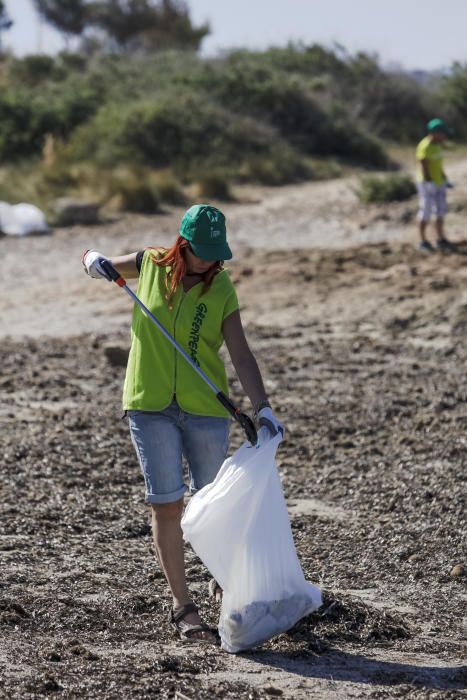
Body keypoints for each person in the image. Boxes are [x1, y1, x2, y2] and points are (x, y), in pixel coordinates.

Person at [82, 204, 284, 645]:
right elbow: (93, 262)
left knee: (212, 501)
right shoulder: (149, 264)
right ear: (183, 243)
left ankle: (224, 577)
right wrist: (92, 262)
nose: (210, 262)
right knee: (167, 503)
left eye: (217, 253)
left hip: (206, 407)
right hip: (149, 403)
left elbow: (241, 352)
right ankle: (184, 607)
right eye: (203, 253)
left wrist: (263, 406)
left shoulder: (223, 287)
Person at [415, 118, 456, 253]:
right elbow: (424, 166)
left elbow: (438, 165)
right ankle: (422, 241)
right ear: (435, 132)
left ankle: (440, 238)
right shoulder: (424, 146)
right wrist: (428, 182)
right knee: (425, 211)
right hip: (427, 184)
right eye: (443, 133)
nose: (445, 136)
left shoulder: (438, 145)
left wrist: (444, 178)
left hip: (439, 182)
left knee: (441, 211)